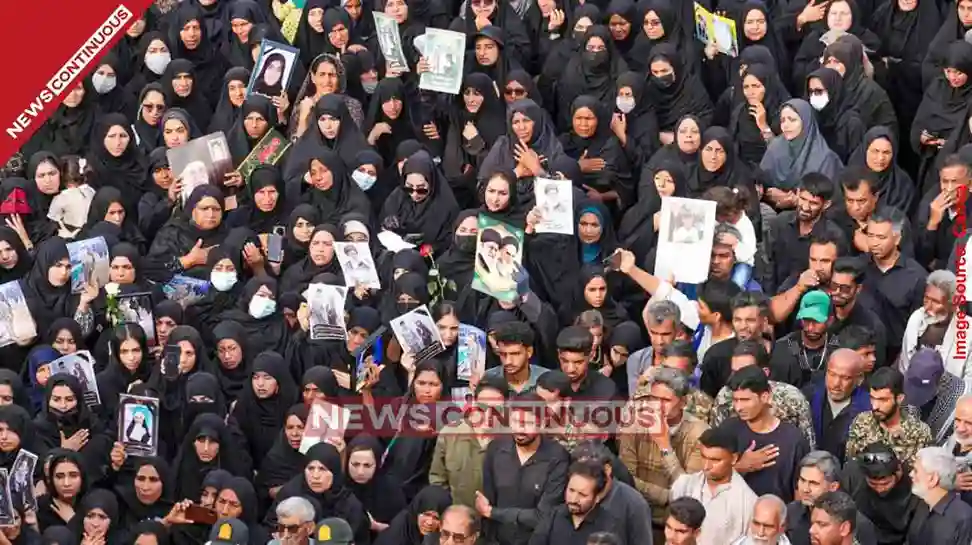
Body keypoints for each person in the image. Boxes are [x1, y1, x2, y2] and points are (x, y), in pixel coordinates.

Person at [476, 397, 570, 545]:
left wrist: (494, 513)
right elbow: (487, 504)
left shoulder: (557, 457)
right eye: (515, 422)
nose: (520, 429)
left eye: (528, 423)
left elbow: (544, 516)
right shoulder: (496, 449)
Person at [721, 366, 811, 503]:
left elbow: (799, 494)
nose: (738, 407)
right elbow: (711, 479)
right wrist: (740, 467)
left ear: (765, 396)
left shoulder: (793, 440)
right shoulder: (727, 430)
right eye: (735, 400)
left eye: (745, 400)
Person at [671, 426, 757, 545]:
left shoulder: (748, 503)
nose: (706, 466)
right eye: (703, 457)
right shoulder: (684, 485)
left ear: (734, 458)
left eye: (715, 460)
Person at [784, 451, 877, 545]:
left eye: (813, 483)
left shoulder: (858, 524)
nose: (805, 489)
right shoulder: (790, 512)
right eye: (802, 480)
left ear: (833, 487)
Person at [845, 367, 933, 466]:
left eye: (883, 400)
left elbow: (921, 473)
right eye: (872, 398)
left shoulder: (919, 433)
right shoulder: (861, 421)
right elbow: (850, 463)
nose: (875, 406)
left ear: (899, 399)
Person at [805, 349, 871, 464]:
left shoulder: (868, 409)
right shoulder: (809, 396)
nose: (836, 384)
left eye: (845, 378)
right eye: (832, 374)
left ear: (859, 379)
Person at [907, 446, 972, 542]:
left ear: (933, 479)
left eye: (916, 471)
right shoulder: (922, 505)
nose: (910, 474)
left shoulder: (963, 517)